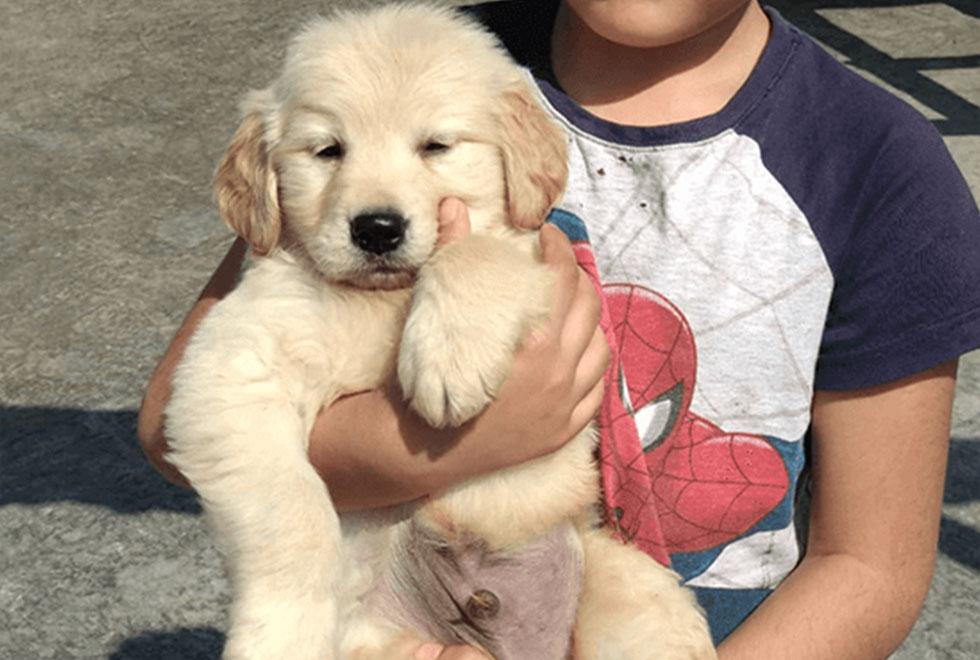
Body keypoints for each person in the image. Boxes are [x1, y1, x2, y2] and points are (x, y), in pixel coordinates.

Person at [138, 1, 980, 658]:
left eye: (437, 145)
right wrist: (461, 442)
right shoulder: (408, 60)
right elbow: (179, 423)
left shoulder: (878, 168)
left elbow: (868, 566)